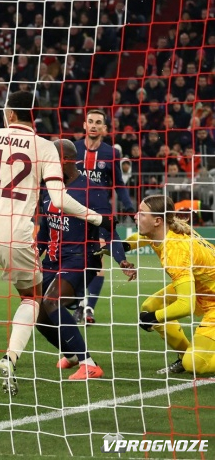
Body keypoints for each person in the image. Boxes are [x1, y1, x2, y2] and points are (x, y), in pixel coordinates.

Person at [0, 90, 113, 395]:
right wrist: (96, 218)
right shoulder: (45, 147)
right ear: (36, 116)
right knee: (32, 299)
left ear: (10, 114)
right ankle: (10, 357)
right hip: (16, 233)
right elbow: (59, 199)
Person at [36, 140, 136, 380]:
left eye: (50, 160)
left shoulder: (92, 190)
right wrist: (33, 254)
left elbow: (108, 228)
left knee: (52, 302)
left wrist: (121, 259)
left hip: (81, 259)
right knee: (38, 315)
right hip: (52, 260)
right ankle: (71, 355)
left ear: (66, 160)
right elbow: (44, 230)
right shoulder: (47, 188)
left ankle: (88, 364)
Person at [133, 195, 215, 375]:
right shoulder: (165, 231)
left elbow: (186, 305)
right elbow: (138, 238)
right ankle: (184, 355)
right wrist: (120, 247)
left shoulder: (174, 251)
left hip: (211, 299)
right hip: (203, 287)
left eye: (141, 213)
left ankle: (188, 360)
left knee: (195, 365)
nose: (135, 216)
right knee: (151, 305)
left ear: (157, 221)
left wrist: (154, 318)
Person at [74, 109, 136, 325]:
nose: (93, 125)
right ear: (84, 125)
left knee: (98, 259)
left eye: (98, 122)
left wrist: (130, 208)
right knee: (74, 260)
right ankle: (78, 303)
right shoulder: (73, 149)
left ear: (104, 128)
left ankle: (88, 307)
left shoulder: (111, 153)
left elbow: (119, 184)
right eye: (90, 121)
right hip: (74, 212)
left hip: (99, 212)